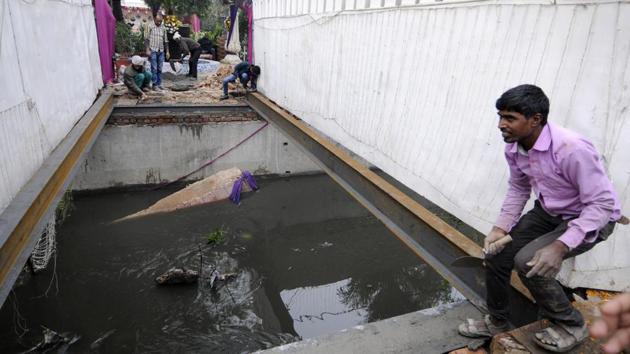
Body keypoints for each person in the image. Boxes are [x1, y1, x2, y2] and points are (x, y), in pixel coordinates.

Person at [457, 84, 622, 353]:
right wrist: (500, 228)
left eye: (510, 118)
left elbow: (601, 204)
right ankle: (498, 321)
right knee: (497, 254)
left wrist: (560, 246)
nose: (501, 124)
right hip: (549, 210)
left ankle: (570, 325)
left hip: (591, 217)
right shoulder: (514, 147)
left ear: (535, 119)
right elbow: (519, 188)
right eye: (500, 116)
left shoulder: (571, 149)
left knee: (531, 262)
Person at [144, 14, 168, 91]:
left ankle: (159, 83)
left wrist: (167, 51)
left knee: (160, 68)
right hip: (152, 50)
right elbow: (146, 39)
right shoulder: (150, 26)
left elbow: (166, 40)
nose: (159, 23)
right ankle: (154, 85)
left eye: (160, 21)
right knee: (154, 68)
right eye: (158, 21)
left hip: (161, 50)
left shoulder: (163, 28)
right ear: (154, 19)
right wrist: (147, 49)